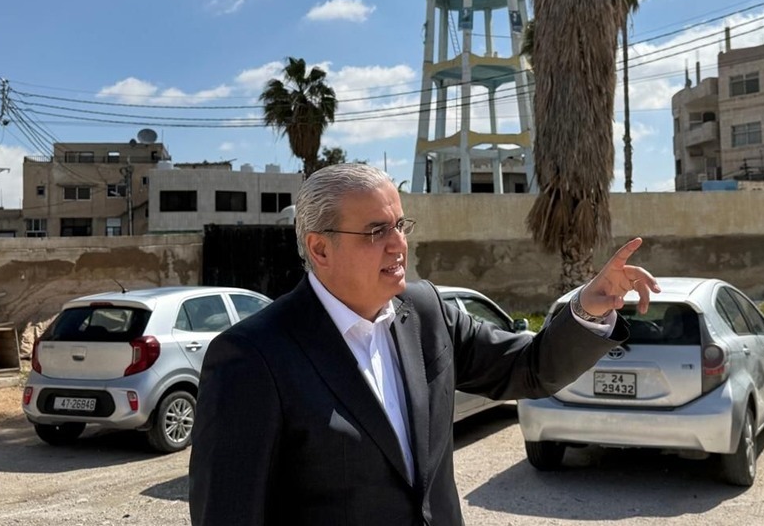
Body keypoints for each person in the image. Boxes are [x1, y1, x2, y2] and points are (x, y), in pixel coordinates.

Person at [188, 163, 659, 526]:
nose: (398, 245)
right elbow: (227, 515)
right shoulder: (254, 356)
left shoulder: (425, 312)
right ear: (320, 249)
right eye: (377, 231)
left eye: (400, 225)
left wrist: (589, 307)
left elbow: (529, 367)